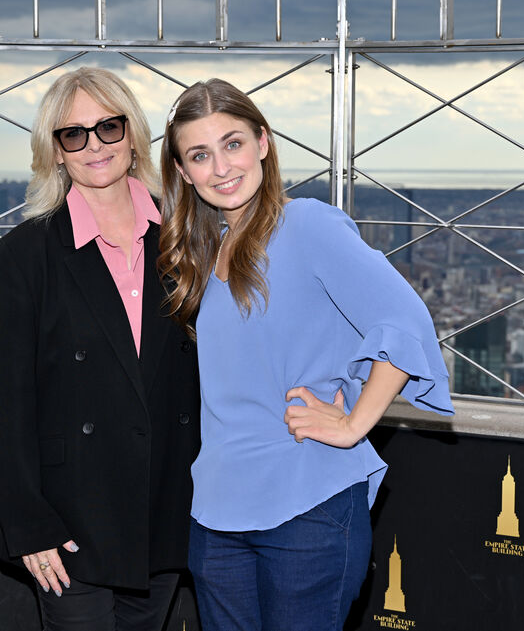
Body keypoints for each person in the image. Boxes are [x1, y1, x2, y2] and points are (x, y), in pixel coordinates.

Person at [158, 78, 454, 630]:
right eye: (200, 154)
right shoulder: (209, 250)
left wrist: (353, 425)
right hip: (217, 512)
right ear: (182, 171)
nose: (221, 167)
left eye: (233, 143)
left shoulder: (308, 224)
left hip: (307, 506)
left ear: (264, 143)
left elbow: (406, 320)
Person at [0, 67, 200, 631]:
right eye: (73, 134)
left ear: (133, 135)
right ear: (54, 152)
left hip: (166, 508)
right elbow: (6, 409)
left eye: (108, 127)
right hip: (70, 523)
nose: (94, 145)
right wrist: (30, 526)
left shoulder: (183, 240)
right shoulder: (24, 256)